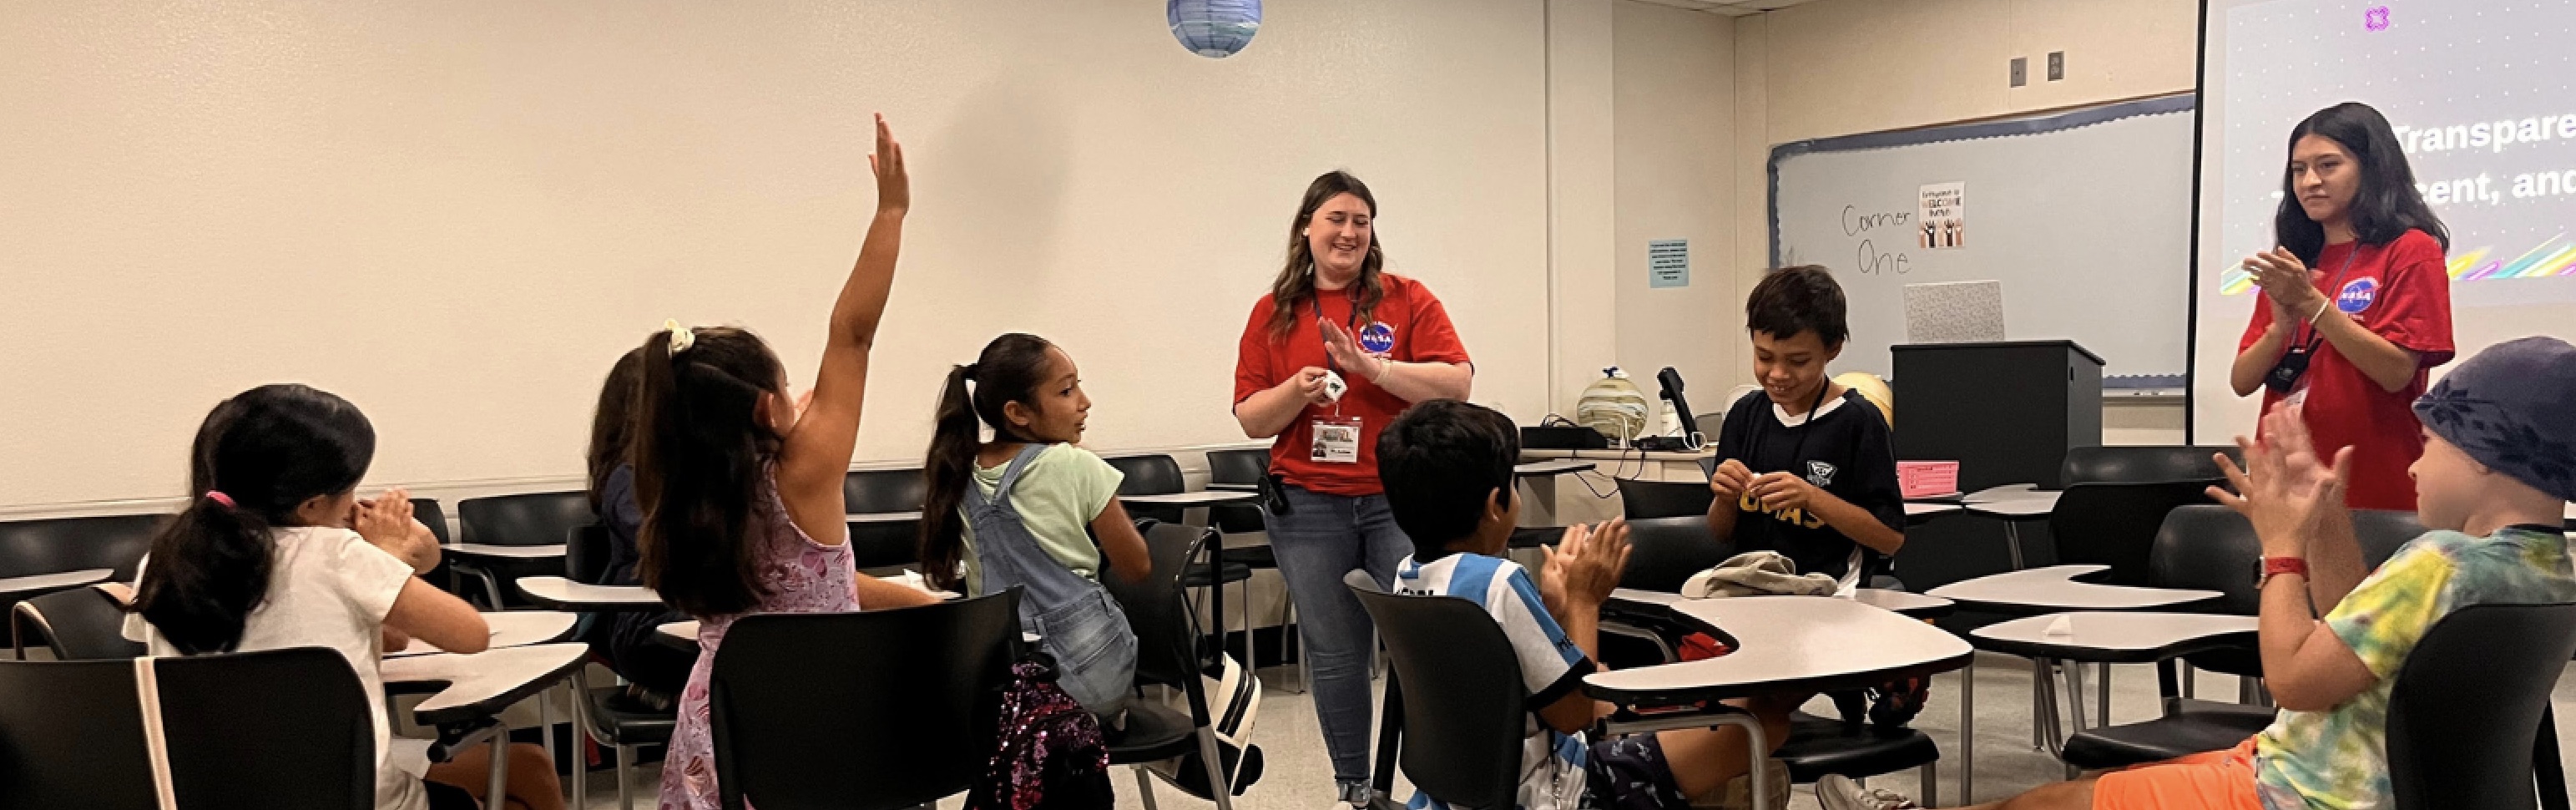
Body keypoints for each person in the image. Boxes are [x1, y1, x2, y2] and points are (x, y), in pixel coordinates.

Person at [1812, 337, 2576, 810]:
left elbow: (2297, 681)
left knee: (2042, 804)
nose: (2414, 460)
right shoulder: (2545, 571)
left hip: (2294, 795)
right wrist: (2327, 520)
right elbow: (2358, 635)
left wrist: (2280, 550)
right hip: (2333, 780)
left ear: (2483, 454)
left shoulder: (2440, 562)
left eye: (2431, 442)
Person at [637, 114, 939, 810]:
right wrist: (891, 211)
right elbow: (853, 335)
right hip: (820, 720)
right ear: (766, 408)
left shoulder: (673, 491)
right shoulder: (804, 475)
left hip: (720, 721)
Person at [125, 383, 563, 810]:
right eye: (351, 487)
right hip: (349, 791)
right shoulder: (338, 555)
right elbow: (471, 635)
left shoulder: (166, 560)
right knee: (514, 782)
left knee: (521, 773)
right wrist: (385, 555)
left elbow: (385, 639)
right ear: (313, 506)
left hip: (212, 792)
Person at [1231, 170, 1475, 807]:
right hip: (1308, 504)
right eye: (1336, 219)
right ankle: (1356, 789)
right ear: (1306, 228)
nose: (1348, 232)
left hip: (1400, 497)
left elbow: (1457, 383)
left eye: (1361, 221)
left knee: (1420, 644)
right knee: (1337, 654)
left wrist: (1374, 369)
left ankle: (1437, 781)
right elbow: (1254, 417)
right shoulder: (1274, 312)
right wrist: (1298, 390)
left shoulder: (1407, 298)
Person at [1375, 399, 1631, 810]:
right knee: (1737, 725)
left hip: (1453, 793)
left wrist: (1554, 608)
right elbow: (1576, 713)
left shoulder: (1408, 573)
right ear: (1497, 504)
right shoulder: (1500, 581)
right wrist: (1585, 602)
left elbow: (1511, 678)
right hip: (1545, 792)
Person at [2230, 101, 2454, 511]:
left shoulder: (2410, 250)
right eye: (2299, 170)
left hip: (2373, 483)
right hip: (2286, 482)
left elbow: (2395, 372)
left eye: (2328, 165)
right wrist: (2279, 330)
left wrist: (2312, 304)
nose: (2310, 181)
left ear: (2370, 169)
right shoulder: (2296, 261)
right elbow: (2242, 381)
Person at [918, 332, 1151, 718]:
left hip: (997, 683)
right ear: (1018, 413)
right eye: (1066, 391)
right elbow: (1136, 567)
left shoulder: (959, 469)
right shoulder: (1075, 464)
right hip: (1091, 676)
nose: (1084, 402)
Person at [1705, 266, 1904, 585]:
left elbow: (1890, 538)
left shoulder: (1858, 421)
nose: (1779, 374)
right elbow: (1720, 532)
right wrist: (1725, 497)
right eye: (1764, 357)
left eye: (1798, 361)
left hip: (1831, 596)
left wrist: (1812, 498)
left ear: (1833, 349)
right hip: (1749, 592)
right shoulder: (1744, 415)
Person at [583, 346, 696, 706]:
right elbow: (676, 550)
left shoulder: (698, 469)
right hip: (649, 626)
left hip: (697, 616)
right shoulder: (626, 479)